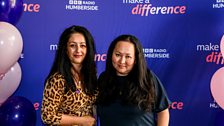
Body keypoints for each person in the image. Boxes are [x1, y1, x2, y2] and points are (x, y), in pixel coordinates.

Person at [97, 34, 171, 126]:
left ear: (136, 59)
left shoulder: (147, 78)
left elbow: (163, 112)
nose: (122, 61)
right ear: (111, 54)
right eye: (118, 55)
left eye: (128, 56)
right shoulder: (103, 79)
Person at [41, 25, 98, 126]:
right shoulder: (57, 79)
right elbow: (47, 116)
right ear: (65, 49)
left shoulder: (92, 75)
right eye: (72, 45)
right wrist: (81, 121)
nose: (78, 50)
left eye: (83, 45)